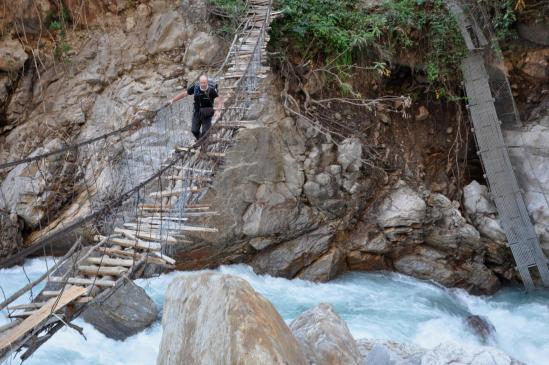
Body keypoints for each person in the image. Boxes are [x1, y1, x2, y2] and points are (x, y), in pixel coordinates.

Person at [169, 74, 219, 140]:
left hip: (207, 112)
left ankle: (203, 143)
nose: (203, 84)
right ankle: (201, 141)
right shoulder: (195, 88)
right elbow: (184, 94)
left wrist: (218, 110)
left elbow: (218, 100)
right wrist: (173, 100)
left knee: (205, 132)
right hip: (197, 112)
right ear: (199, 82)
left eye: (204, 83)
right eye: (201, 83)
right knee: (194, 131)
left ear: (207, 83)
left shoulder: (211, 90)